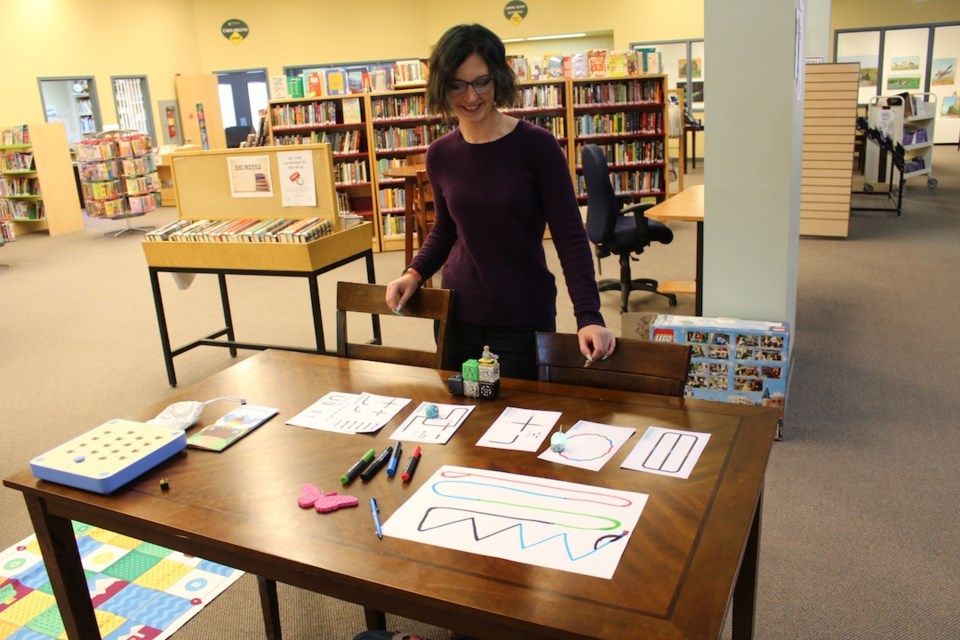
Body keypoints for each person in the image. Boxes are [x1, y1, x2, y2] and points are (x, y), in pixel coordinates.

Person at [385, 23, 616, 380]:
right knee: (458, 425)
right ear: (441, 87)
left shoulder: (537, 147)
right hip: (457, 313)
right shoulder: (440, 154)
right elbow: (446, 229)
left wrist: (588, 316)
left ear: (498, 79)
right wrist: (415, 272)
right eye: (457, 85)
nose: (471, 96)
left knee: (522, 424)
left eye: (481, 82)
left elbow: (570, 236)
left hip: (522, 315)